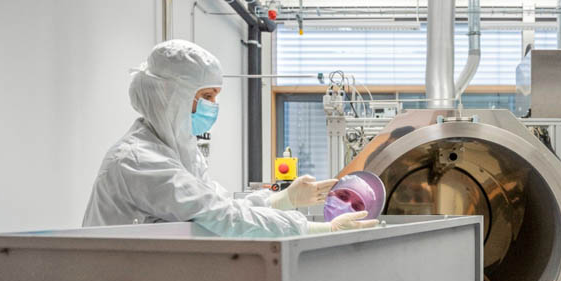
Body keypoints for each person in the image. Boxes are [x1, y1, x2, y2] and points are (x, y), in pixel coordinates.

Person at [83, 40, 377, 236]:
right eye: (207, 96)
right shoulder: (139, 160)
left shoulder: (180, 153)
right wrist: (320, 229)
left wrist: (286, 198)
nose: (214, 105)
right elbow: (220, 216)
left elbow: (220, 203)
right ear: (172, 96)